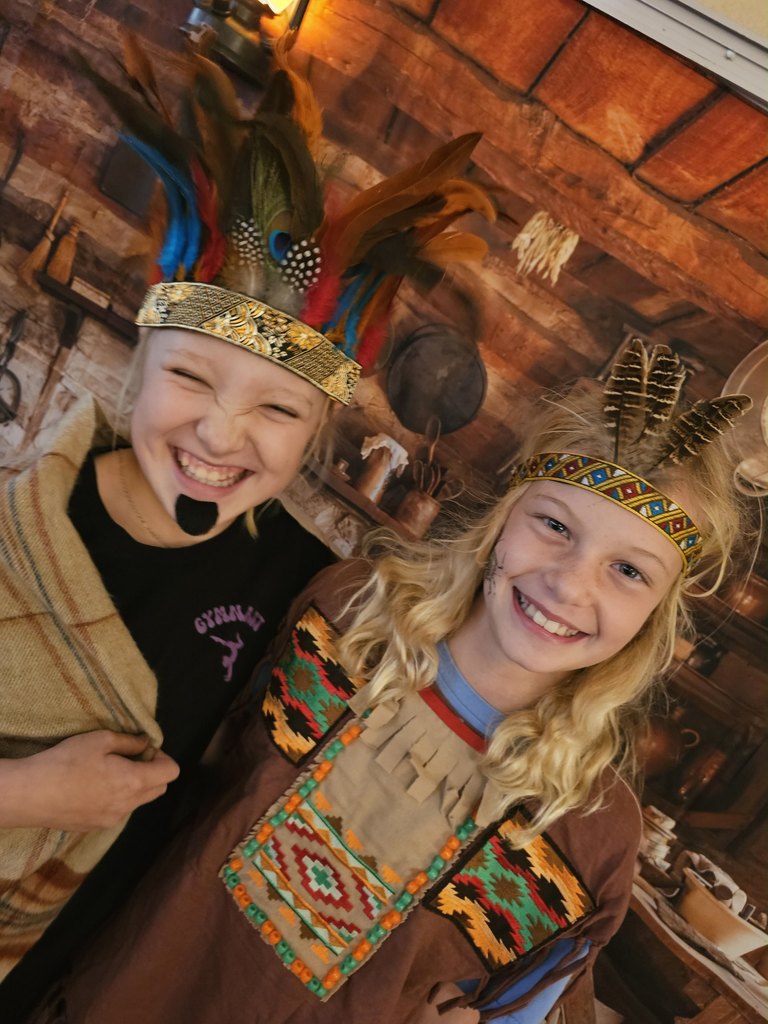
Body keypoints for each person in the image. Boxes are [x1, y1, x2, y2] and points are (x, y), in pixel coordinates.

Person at [0, 32, 493, 1018]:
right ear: (138, 371)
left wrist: (413, 990)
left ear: (317, 432)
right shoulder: (17, 535)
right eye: (190, 376)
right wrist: (28, 797)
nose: (221, 433)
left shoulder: (305, 586)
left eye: (279, 410)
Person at [41, 340, 753, 1023]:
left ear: (659, 614)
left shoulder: (590, 831)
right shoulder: (346, 617)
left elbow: (520, 1006)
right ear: (504, 519)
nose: (569, 584)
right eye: (554, 525)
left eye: (629, 571)